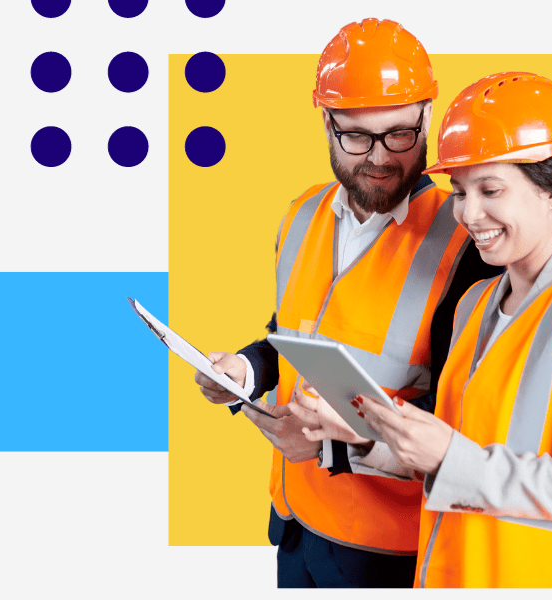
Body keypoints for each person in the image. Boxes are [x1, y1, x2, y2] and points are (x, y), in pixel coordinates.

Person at [293, 72, 552, 587]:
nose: (469, 213)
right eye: (460, 191)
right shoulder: (475, 305)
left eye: (491, 190)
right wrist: (367, 440)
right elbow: (458, 457)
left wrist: (449, 455)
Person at [191, 20, 502, 588]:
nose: (379, 158)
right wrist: (246, 370)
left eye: (399, 134)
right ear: (326, 123)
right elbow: (290, 335)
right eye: (357, 136)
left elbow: (467, 422)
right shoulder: (302, 214)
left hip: (386, 551)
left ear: (427, 117)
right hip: (294, 525)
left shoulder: (470, 245)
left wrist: (330, 444)